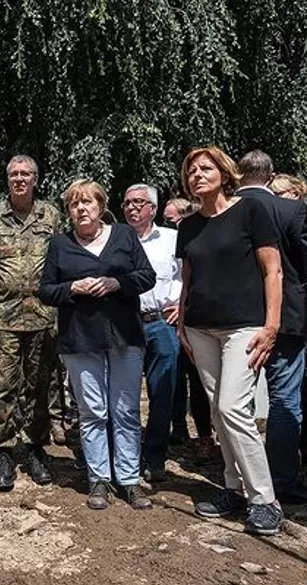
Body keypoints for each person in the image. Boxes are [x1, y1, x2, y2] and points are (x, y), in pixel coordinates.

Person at [175, 146, 283, 536]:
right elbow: (188, 279)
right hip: (200, 329)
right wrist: (182, 324)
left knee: (233, 408)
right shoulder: (188, 226)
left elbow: (273, 271)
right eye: (191, 171)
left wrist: (271, 326)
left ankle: (265, 499)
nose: (197, 176)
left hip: (244, 328)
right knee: (220, 414)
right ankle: (233, 488)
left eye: (205, 168)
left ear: (224, 172)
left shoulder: (250, 212)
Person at [38, 179, 156, 511]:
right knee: (92, 411)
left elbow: (146, 276)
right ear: (69, 212)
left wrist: (116, 282)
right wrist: (72, 287)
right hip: (80, 338)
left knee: (126, 410)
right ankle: (98, 479)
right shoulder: (60, 245)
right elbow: (46, 290)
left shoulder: (123, 236)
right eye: (75, 204)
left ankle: (129, 480)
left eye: (88, 202)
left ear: (101, 206)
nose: (81, 209)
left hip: (124, 335)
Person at [0, 155, 61, 491]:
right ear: (7, 179)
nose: (20, 179)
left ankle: (35, 449)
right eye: (14, 174)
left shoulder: (50, 215)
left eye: (26, 173)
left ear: (35, 179)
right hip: (5, 319)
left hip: (43, 317)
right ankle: (4, 454)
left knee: (39, 388)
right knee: (5, 389)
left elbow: (60, 258)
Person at [237, 150, 307, 504]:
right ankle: (280, 478)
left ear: (237, 174)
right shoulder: (291, 210)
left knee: (235, 402)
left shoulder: (223, 209)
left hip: (234, 320)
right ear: (270, 175)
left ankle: (240, 475)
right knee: (284, 400)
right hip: (287, 321)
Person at [121, 184, 181, 483]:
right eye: (128, 203)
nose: (132, 208)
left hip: (161, 324)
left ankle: (155, 456)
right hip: (126, 324)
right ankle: (127, 456)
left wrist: (182, 303)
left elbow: (187, 273)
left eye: (139, 202)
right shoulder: (116, 239)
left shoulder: (172, 239)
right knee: (125, 394)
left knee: (162, 392)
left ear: (153, 209)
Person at [162, 197, 216, 460]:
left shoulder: (204, 239)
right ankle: (179, 428)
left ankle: (206, 437)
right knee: (174, 380)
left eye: (173, 218)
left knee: (199, 382)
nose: (172, 224)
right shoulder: (176, 239)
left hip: (200, 318)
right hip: (179, 317)